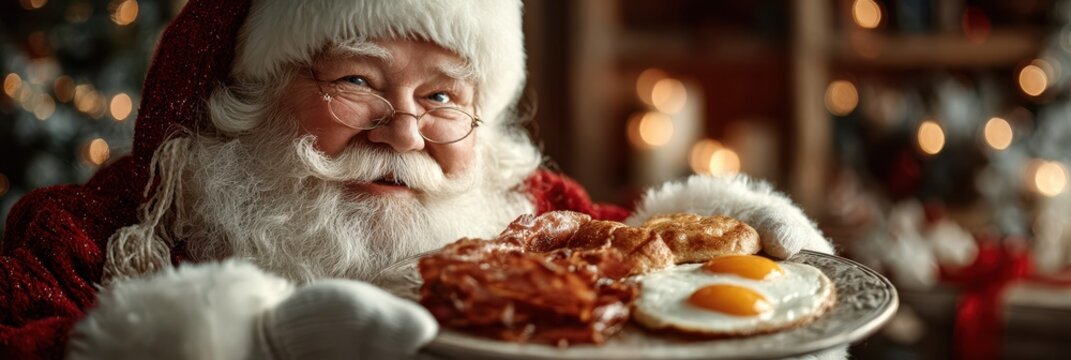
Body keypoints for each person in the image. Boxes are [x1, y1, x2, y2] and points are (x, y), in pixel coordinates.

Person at [0, 0, 839, 359]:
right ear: (254, 90)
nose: (403, 130)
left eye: (441, 95)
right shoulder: (104, 237)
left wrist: (755, 288)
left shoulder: (539, 229)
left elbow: (659, 277)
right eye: (356, 80)